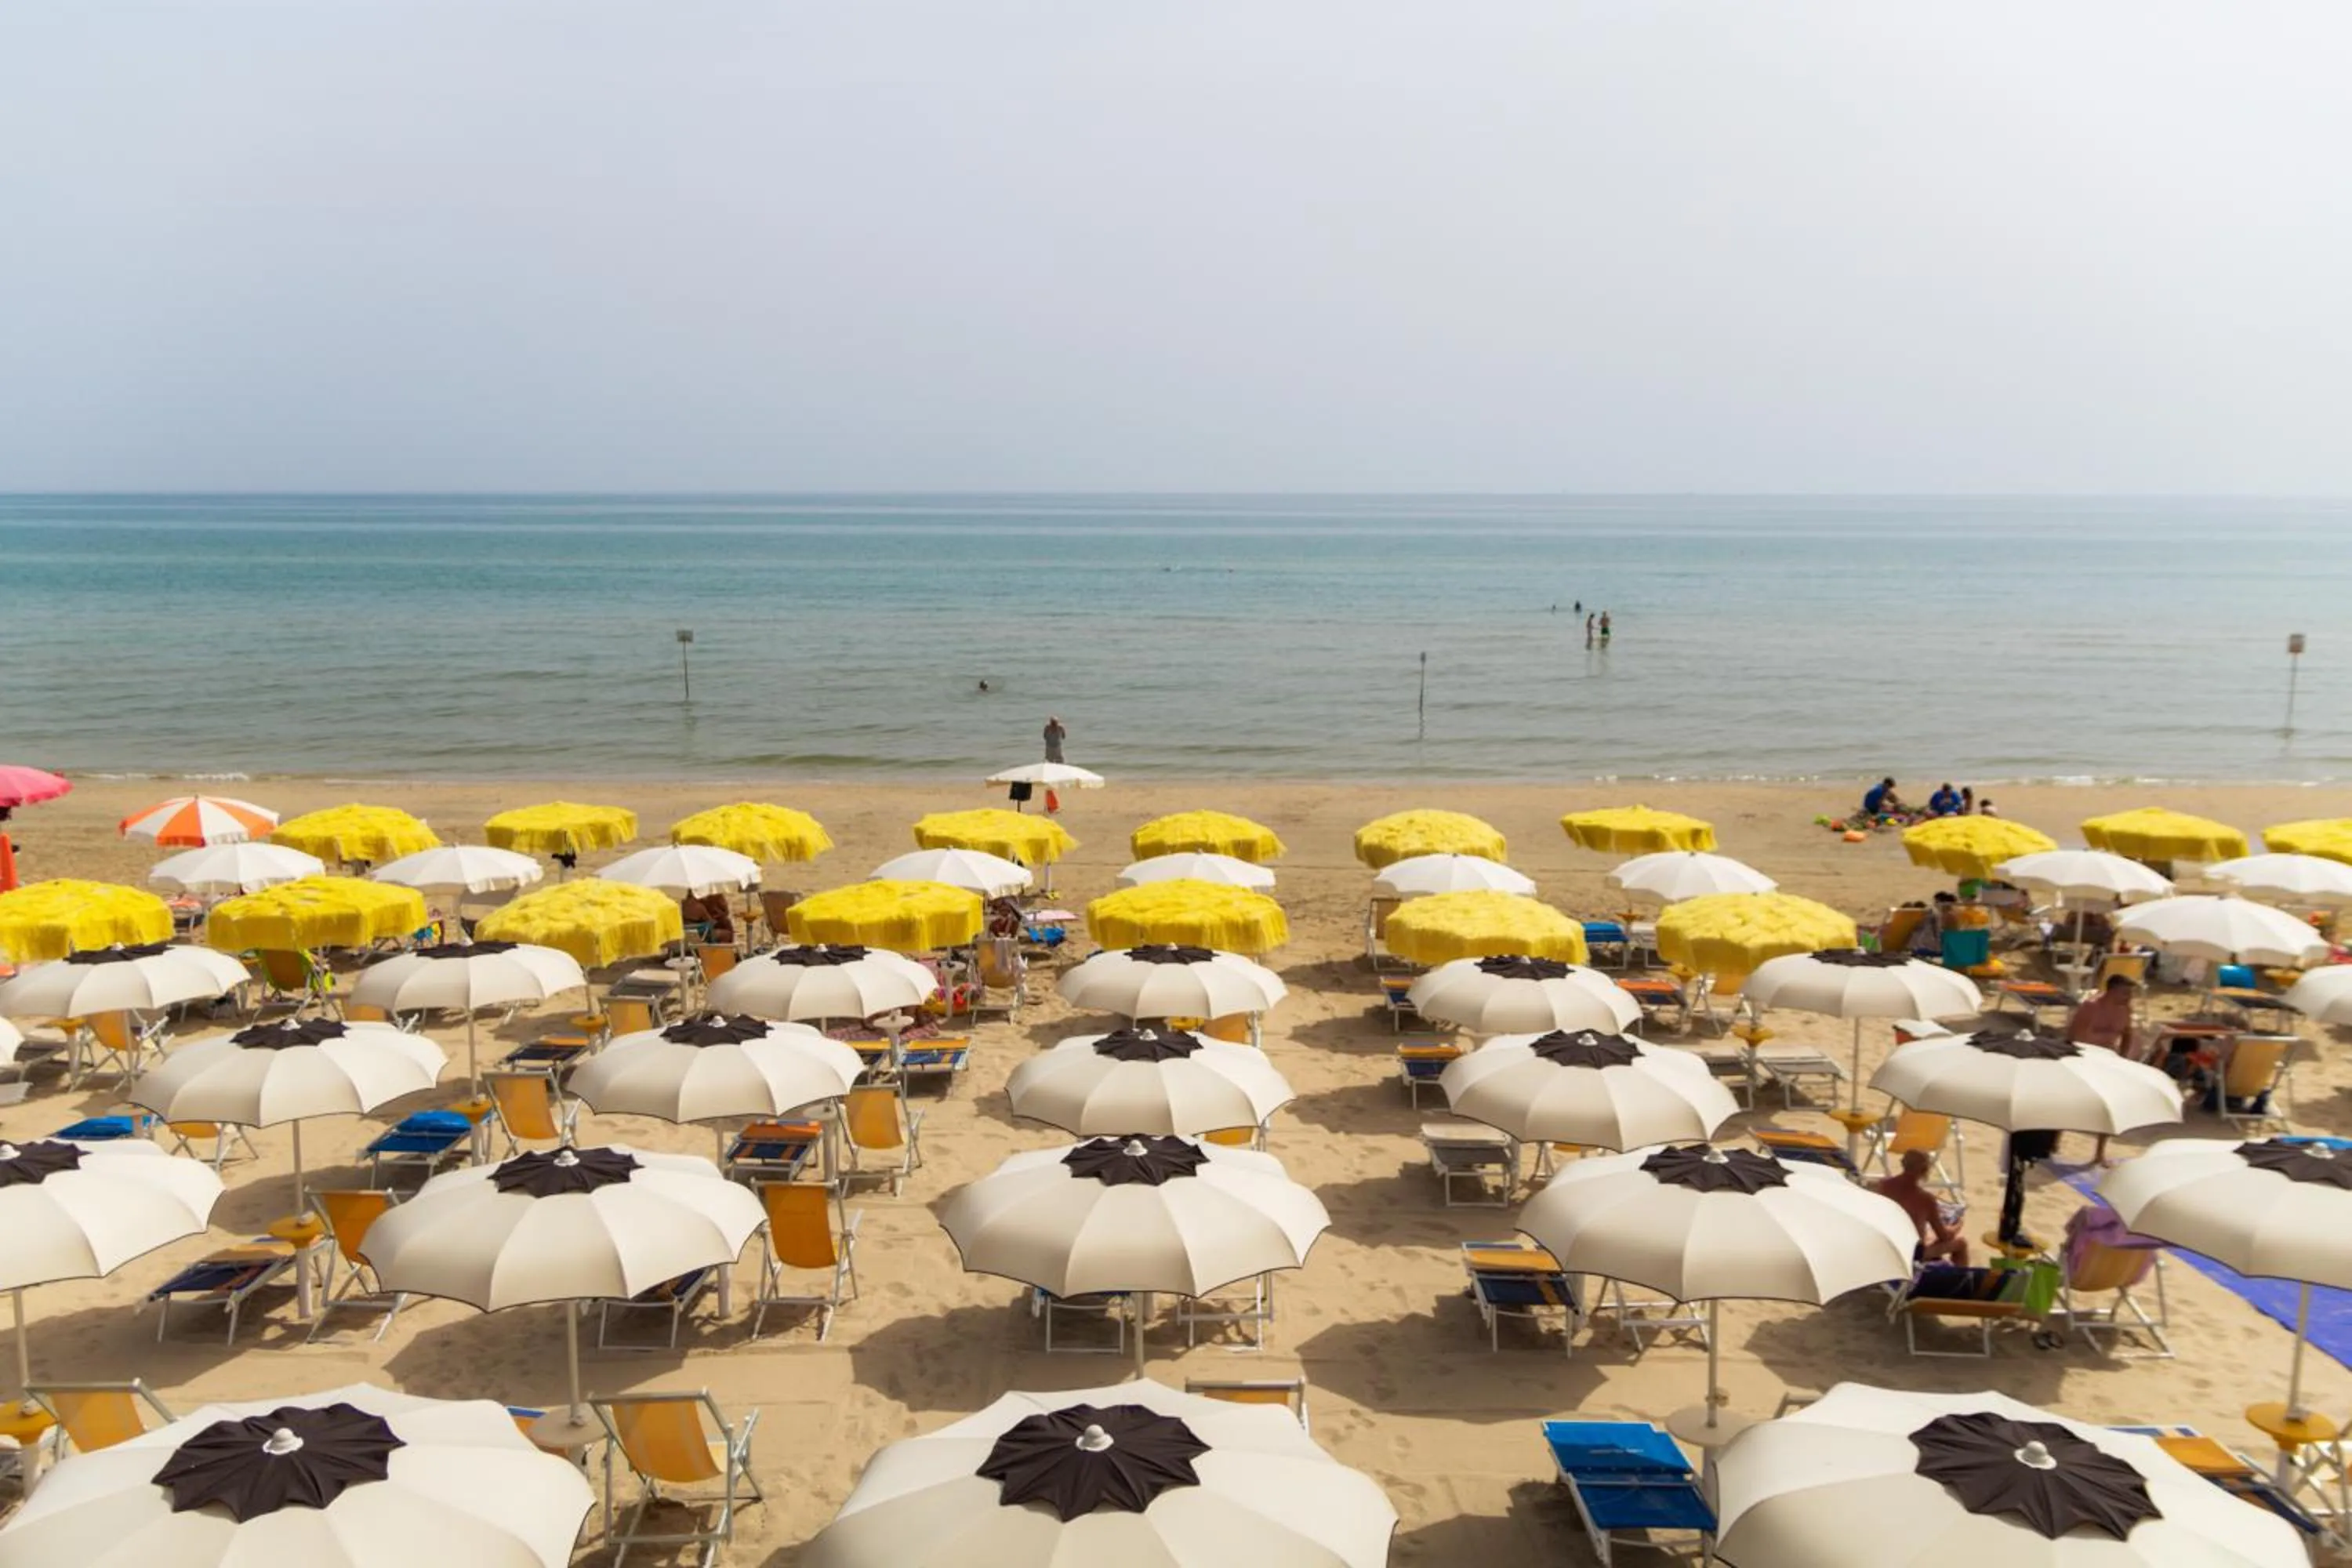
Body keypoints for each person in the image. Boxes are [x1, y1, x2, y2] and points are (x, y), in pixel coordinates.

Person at [2067, 975, 2138, 1163]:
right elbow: (2074, 1036)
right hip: (2084, 1058)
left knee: (2109, 1107)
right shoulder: (2091, 1007)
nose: (2129, 997)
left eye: (2131, 993)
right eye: (2125, 992)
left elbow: (2128, 1034)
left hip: (2108, 1059)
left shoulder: (2126, 1010)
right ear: (2111, 991)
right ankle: (2055, 1140)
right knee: (2068, 1104)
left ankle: (2099, 1153)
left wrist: (2123, 1059)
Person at [1872, 1149, 1970, 1266]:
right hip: (1911, 1254)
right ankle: (1960, 1280)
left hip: (1885, 1246)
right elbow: (1943, 1236)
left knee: (1928, 1235)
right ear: (1924, 1170)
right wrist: (1957, 1226)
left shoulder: (1883, 1186)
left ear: (1903, 1163)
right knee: (1961, 1243)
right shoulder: (1925, 1199)